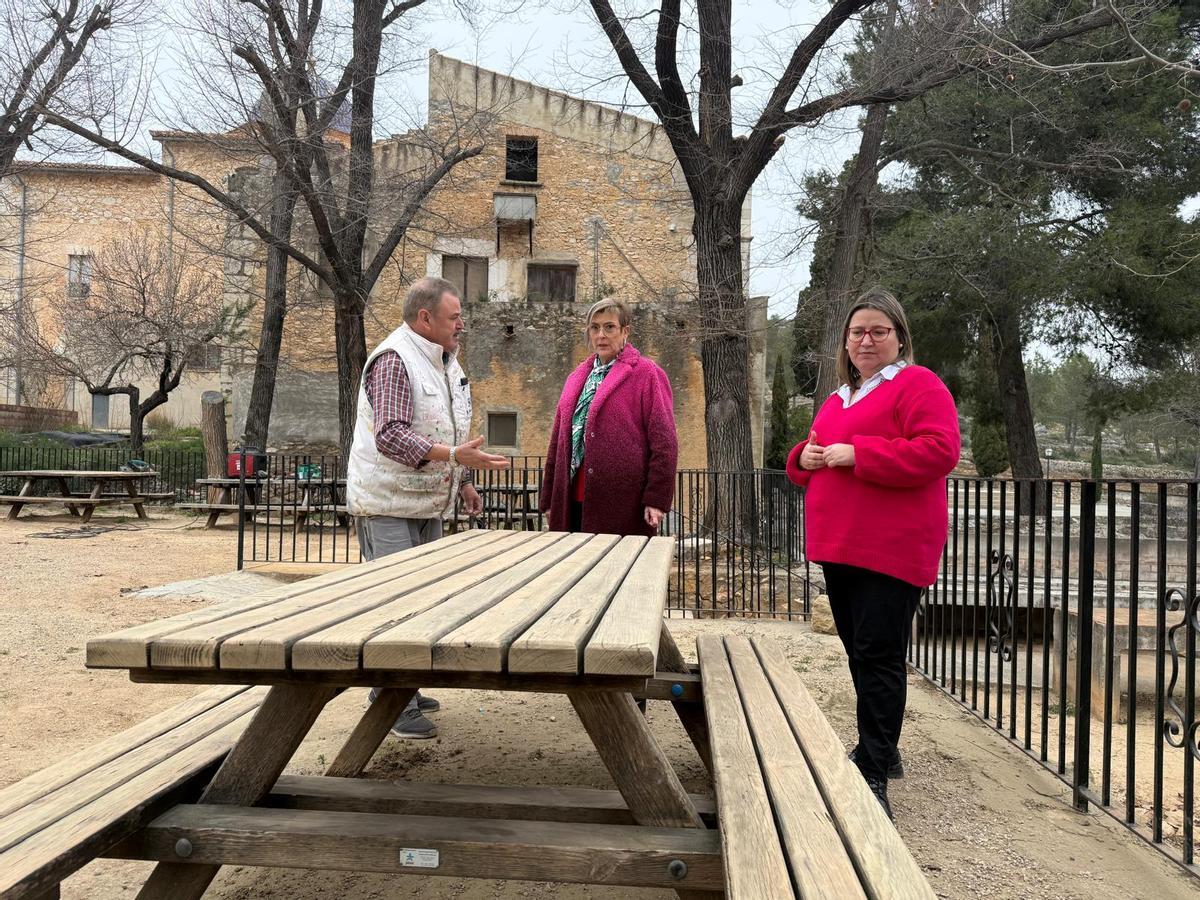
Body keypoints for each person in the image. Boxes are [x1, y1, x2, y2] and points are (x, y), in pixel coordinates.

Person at [785, 287, 960, 819]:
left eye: (878, 331)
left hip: (890, 547)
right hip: (841, 546)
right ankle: (881, 747)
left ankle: (873, 770)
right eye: (857, 332)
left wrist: (857, 453)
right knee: (860, 652)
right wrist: (805, 456)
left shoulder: (919, 384)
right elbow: (813, 455)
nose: (866, 340)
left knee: (879, 655)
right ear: (845, 341)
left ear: (899, 337)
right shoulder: (840, 398)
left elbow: (939, 450)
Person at [346, 275, 509, 739]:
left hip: (424, 502)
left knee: (421, 600)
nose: (461, 324)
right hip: (386, 503)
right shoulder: (394, 360)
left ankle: (405, 689)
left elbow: (449, 429)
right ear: (425, 318)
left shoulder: (445, 362)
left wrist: (464, 481)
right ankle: (391, 701)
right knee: (396, 603)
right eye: (454, 317)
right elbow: (391, 435)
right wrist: (455, 457)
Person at [541, 298, 678, 537]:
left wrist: (656, 498)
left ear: (625, 331)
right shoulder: (576, 378)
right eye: (595, 327)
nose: (601, 335)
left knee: (617, 561)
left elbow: (664, 442)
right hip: (571, 501)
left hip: (624, 505)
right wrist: (550, 499)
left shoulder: (647, 374)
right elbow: (558, 442)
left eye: (609, 327)